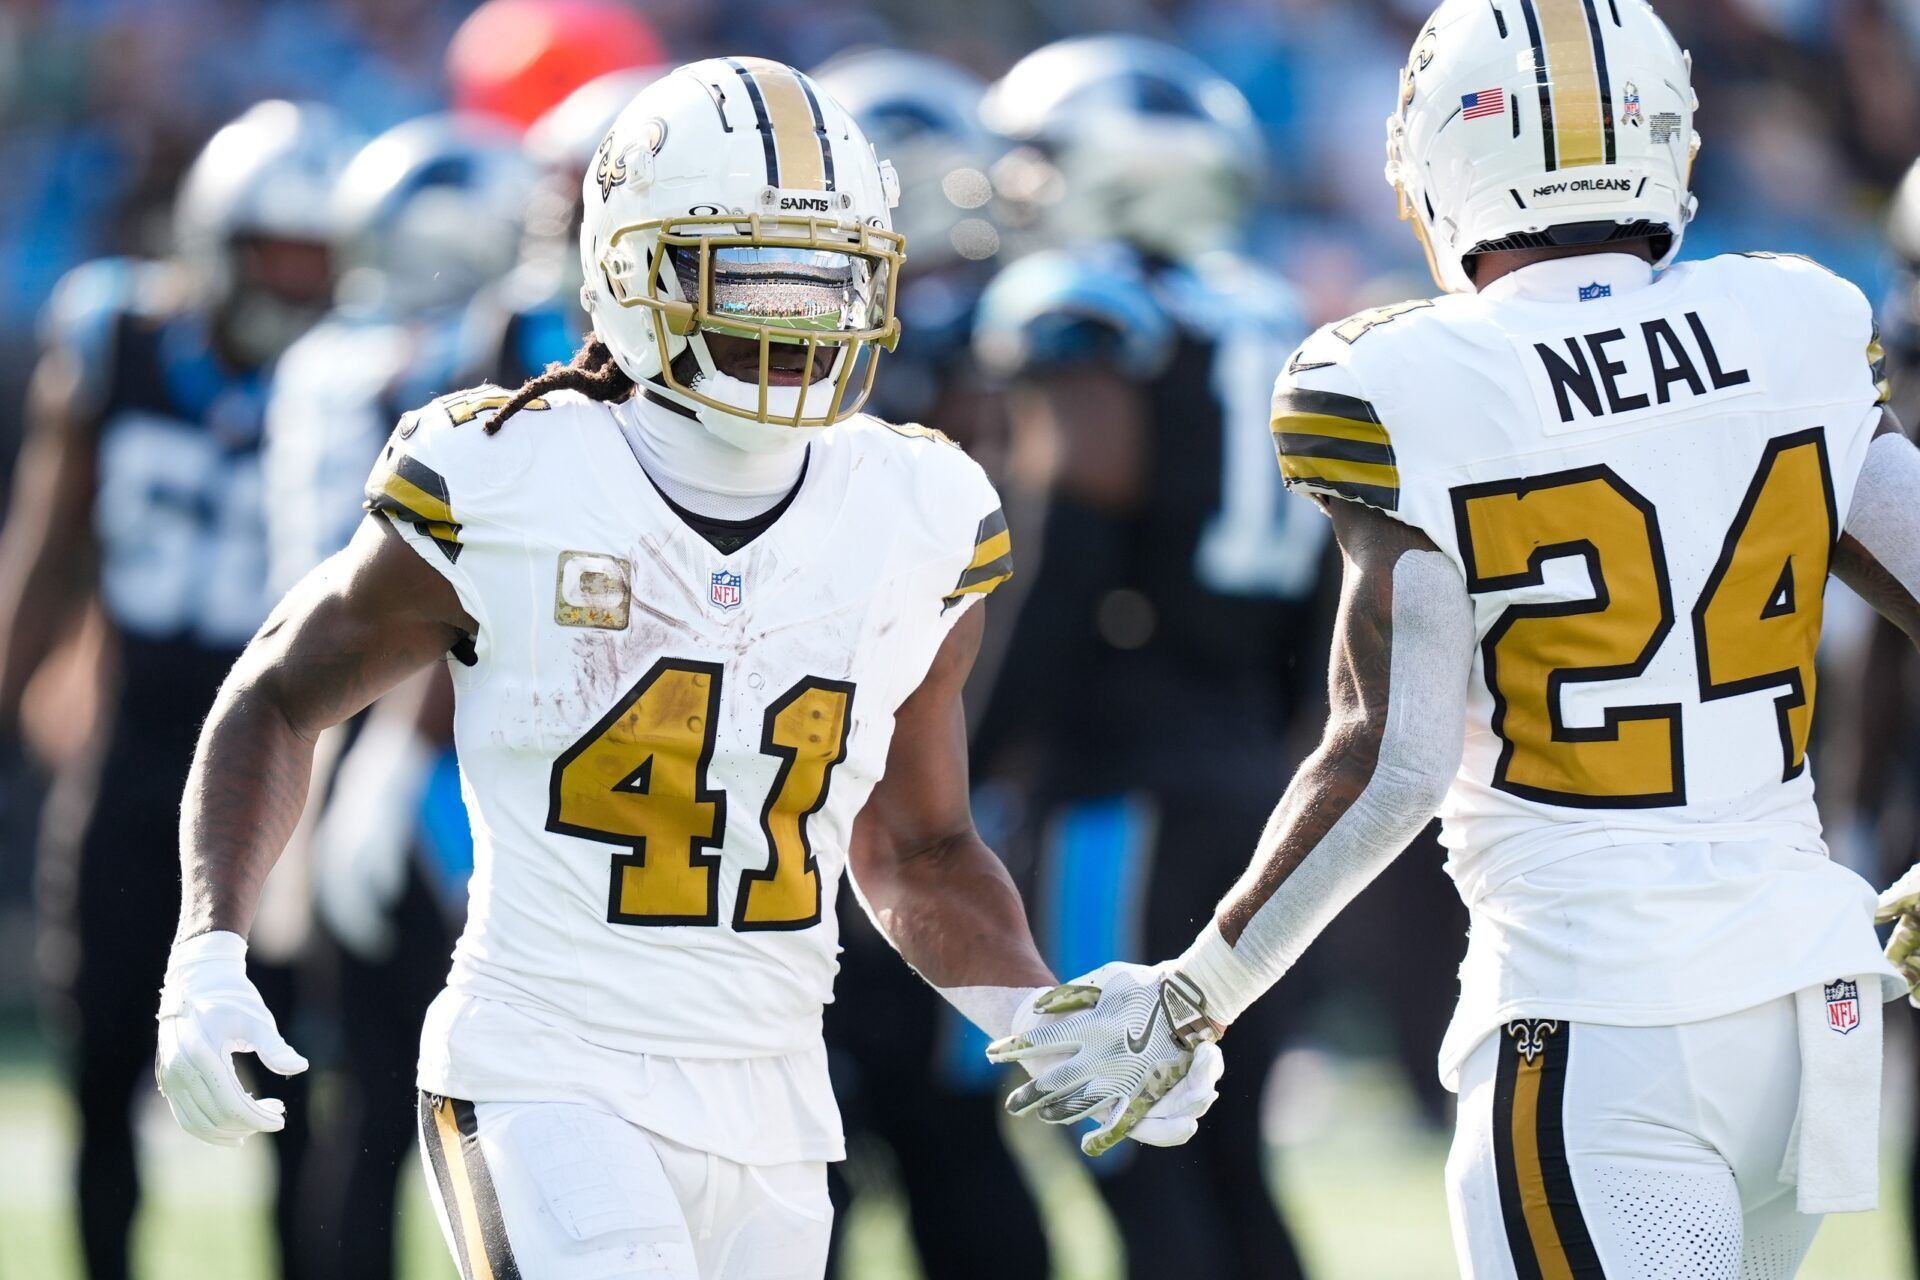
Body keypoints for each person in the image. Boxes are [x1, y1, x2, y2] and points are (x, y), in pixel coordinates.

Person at [148, 59, 1217, 1279]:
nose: (800, 319)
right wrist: (210, 944)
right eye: (758, 274)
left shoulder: (919, 506)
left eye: (832, 282)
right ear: (635, 270)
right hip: (543, 1069)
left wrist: (1038, 1015)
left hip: (775, 1101)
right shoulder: (508, 472)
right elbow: (279, 693)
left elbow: (915, 845)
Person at [997, 1, 1920, 1274]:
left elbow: (1395, 757)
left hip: (1599, 1017)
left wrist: (1199, 987)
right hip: (1806, 1010)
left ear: (1442, 155)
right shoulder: (1794, 319)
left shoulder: (1408, 381)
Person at [969, 34, 1322, 1280]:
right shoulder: (1273, 316)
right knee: (1221, 1152)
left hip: (1115, 781)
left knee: (1123, 1129)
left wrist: (966, 757)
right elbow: (1327, 593)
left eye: (1042, 159)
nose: (1016, 184)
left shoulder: (1086, 315)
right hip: (1246, 769)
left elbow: (1063, 565)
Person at [0, 100, 352, 1280]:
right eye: (277, 251)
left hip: (286, 759)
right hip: (137, 740)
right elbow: (49, 547)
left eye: (319, 254)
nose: (299, 280)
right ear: (216, 239)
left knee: (294, 1074)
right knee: (101, 1056)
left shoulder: (359, 378)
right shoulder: (117, 335)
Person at [260, 111, 534, 1280]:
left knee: (376, 1084)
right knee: (472, 1082)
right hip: (446, 742)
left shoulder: (326, 358)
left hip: (336, 717)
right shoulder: (475, 356)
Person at [802, 47, 1048, 1280]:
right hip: (840, 753)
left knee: (906, 1128)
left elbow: (1008, 579)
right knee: (828, 1133)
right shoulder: (976, 342)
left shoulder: (993, 343)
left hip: (906, 754)